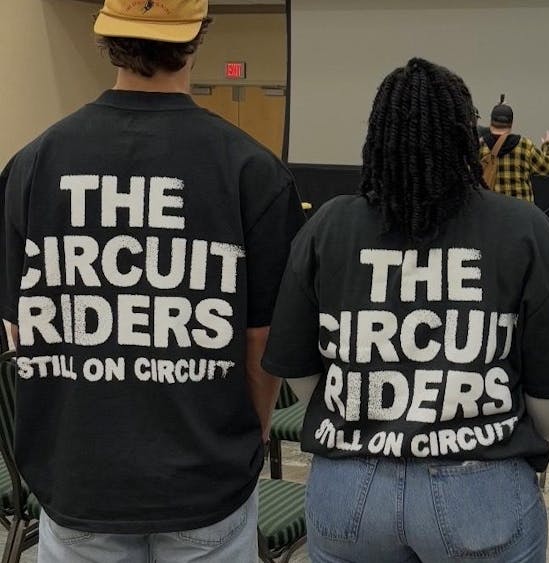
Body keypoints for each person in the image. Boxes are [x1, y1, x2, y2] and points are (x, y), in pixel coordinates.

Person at [0, 1, 304, 560]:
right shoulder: (252, 170)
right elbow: (261, 340)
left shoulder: (33, 163)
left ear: (107, 38)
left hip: (77, 474)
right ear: (195, 39)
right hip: (206, 475)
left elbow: (19, 324)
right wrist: (257, 428)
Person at [262, 58, 549, 563]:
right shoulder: (525, 229)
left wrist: (359, 415)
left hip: (349, 486)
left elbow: (300, 374)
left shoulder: (329, 226)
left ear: (378, 137)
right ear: (463, 136)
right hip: (480, 485)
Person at [478, 96, 549, 203]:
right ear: (511, 124)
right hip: (521, 212)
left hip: (491, 211)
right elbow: (547, 167)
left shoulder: (479, 145)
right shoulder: (525, 145)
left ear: (491, 121)